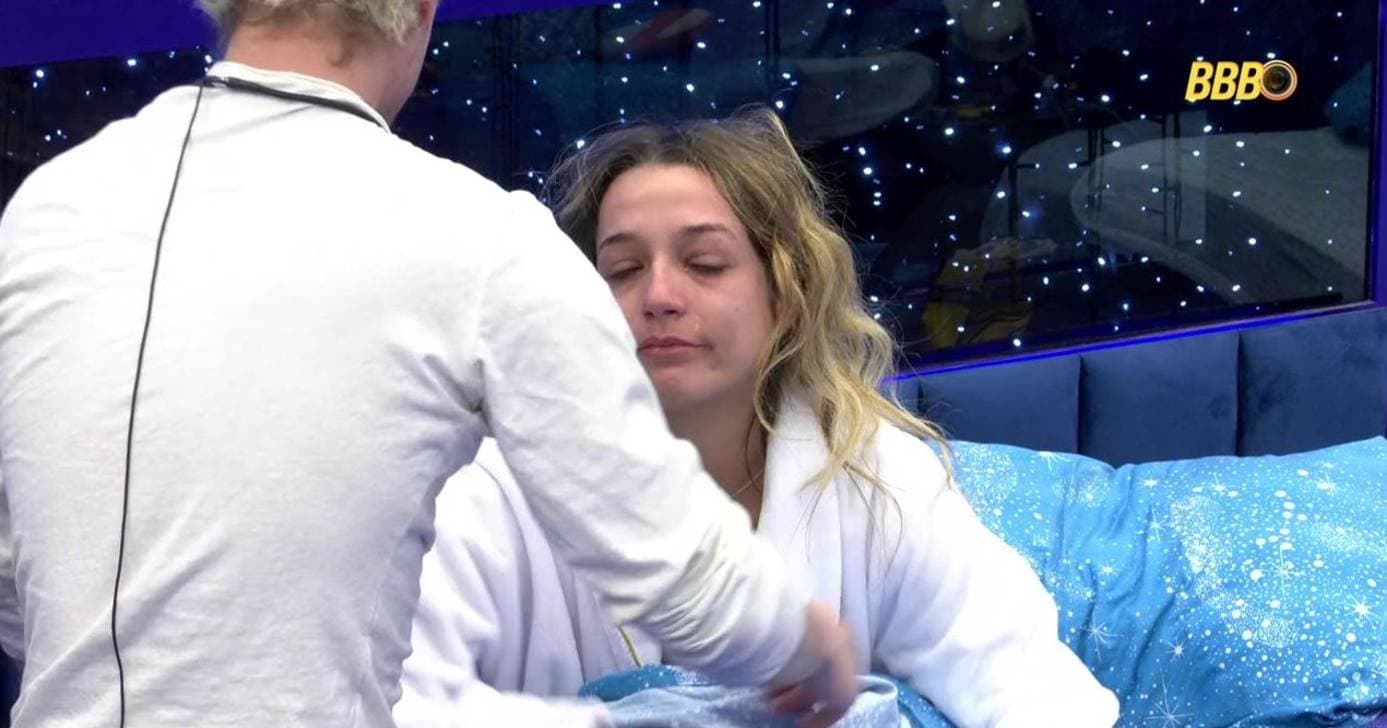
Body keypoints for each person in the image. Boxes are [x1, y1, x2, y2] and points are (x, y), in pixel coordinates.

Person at [0, 3, 860, 726]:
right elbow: (672, 566)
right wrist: (805, 649)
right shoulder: (477, 236)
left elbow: (17, 578)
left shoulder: (46, 209)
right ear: (417, 9)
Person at [398, 108, 1121, 727]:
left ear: (788, 296)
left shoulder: (872, 476)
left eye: (705, 263)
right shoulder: (485, 491)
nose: (658, 296)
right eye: (622, 270)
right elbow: (390, 701)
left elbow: (1034, 692)